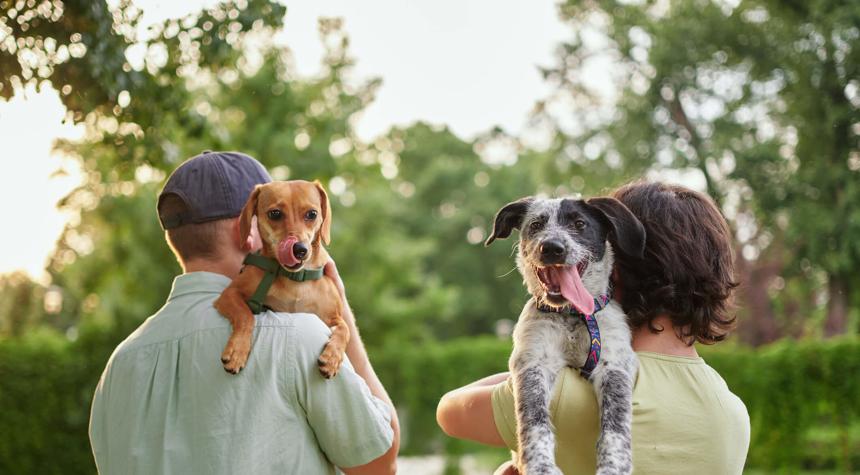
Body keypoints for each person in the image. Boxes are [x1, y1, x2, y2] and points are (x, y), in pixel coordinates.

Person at [88, 151, 399, 475]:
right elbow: (381, 463)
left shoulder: (118, 365)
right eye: (277, 215)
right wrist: (341, 311)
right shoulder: (301, 339)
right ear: (250, 229)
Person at [436, 181, 750, 475]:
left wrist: (534, 356)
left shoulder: (563, 395)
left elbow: (450, 411)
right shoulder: (733, 412)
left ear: (617, 264)